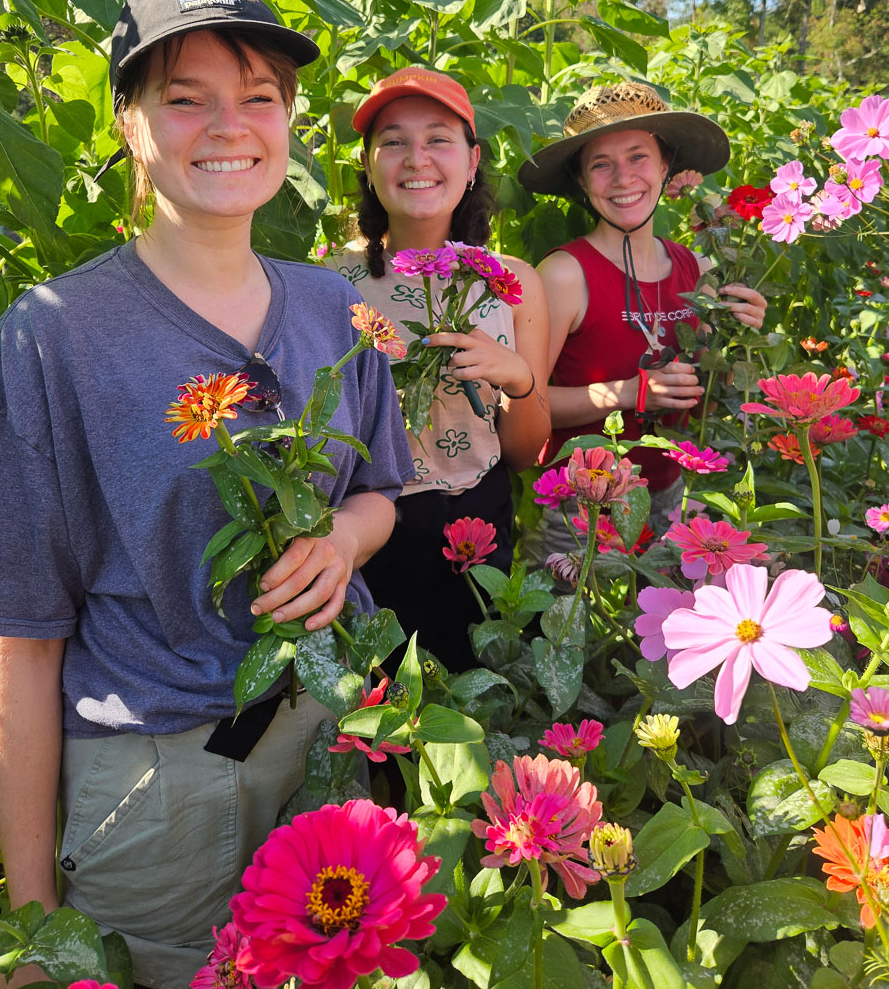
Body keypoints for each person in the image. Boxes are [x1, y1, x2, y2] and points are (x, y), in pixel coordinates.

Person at [0, 0, 413, 989]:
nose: (230, 123)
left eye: (261, 93)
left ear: (291, 120)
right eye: (185, 97)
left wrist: (345, 542)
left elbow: (381, 491)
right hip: (159, 784)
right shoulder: (52, 334)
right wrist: (39, 921)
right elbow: (20, 637)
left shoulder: (332, 305)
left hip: (326, 742)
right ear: (132, 124)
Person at [326, 68, 550, 669]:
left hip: (476, 519)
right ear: (369, 167)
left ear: (473, 161)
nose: (415, 158)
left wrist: (518, 380)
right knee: (373, 712)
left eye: (438, 139)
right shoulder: (327, 280)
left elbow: (528, 452)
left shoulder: (514, 282)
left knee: (471, 709)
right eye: (393, 141)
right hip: (366, 526)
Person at [518, 80, 766, 548]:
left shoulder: (698, 269)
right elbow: (526, 409)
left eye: (638, 157)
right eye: (600, 165)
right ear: (580, 181)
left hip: (673, 492)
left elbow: (712, 393)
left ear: (666, 165)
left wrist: (740, 338)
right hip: (584, 510)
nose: (622, 178)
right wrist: (629, 393)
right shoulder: (565, 274)